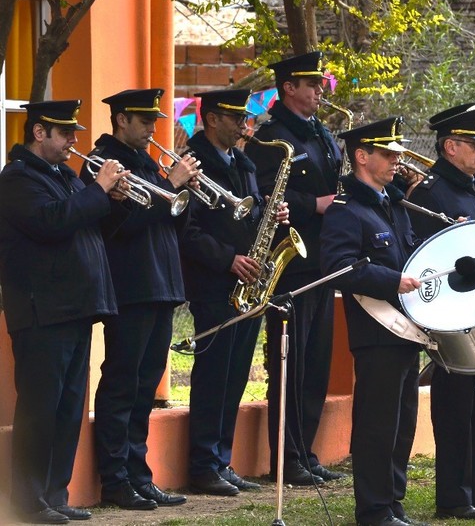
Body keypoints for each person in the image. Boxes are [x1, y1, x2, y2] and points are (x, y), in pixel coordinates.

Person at [0, 101, 126, 525]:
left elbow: (87, 227)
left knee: (70, 409)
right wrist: (97, 190)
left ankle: (55, 494)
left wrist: (112, 197)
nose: (74, 141)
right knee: (41, 409)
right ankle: (28, 501)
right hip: (42, 312)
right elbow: (51, 223)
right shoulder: (17, 178)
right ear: (39, 133)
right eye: (65, 133)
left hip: (74, 309)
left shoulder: (64, 176)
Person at [87, 88, 198, 510]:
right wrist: (169, 186)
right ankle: (115, 480)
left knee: (144, 386)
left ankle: (138, 474)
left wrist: (181, 194)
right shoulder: (103, 163)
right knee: (122, 384)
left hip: (161, 285)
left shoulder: (145, 161)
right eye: (145, 120)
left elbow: (170, 220)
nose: (154, 128)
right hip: (132, 287)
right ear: (121, 121)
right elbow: (120, 226)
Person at [180, 89, 290, 495]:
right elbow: (187, 232)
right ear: (210, 119)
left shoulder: (241, 162)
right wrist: (228, 259)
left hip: (249, 284)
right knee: (213, 376)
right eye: (234, 117)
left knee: (235, 376)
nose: (244, 123)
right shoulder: (192, 163)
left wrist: (272, 216)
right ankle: (203, 464)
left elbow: (249, 216)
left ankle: (221, 460)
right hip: (215, 284)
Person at [407, 105, 475, 520]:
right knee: (454, 410)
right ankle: (453, 497)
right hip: (452, 318)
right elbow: (423, 261)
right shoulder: (431, 193)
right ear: (451, 146)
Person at [245, 50, 344, 486]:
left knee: (316, 363)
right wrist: (313, 205)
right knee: (291, 362)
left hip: (322, 259)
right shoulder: (270, 138)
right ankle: (285, 457)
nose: (320, 91)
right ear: (289, 88)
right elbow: (266, 198)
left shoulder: (320, 132)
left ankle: (305, 450)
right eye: (312, 85)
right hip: (289, 265)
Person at [320, 117, 424, 526]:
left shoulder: (391, 204)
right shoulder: (347, 211)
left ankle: (392, 502)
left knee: (401, 426)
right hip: (377, 332)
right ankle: (374, 509)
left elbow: (411, 255)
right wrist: (393, 280)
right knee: (377, 427)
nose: (397, 159)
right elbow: (339, 268)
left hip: (407, 330)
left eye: (397, 152)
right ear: (362, 156)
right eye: (388, 153)